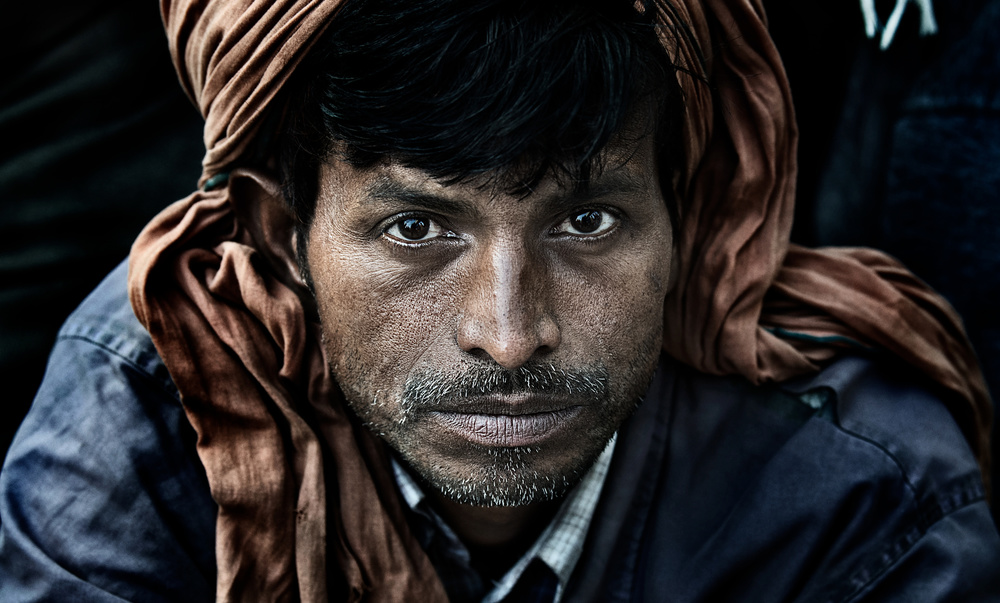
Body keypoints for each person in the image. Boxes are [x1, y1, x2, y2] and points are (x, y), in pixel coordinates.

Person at [1, 0, 997, 601]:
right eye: (416, 230)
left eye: (588, 224)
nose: (510, 334)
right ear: (278, 238)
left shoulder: (857, 496)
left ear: (685, 219)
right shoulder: (140, 437)